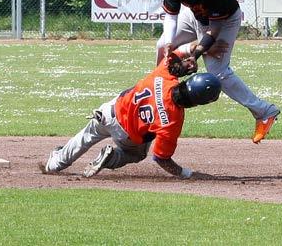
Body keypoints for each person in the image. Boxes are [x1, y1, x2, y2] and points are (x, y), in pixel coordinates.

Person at [157, 0, 280, 144]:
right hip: (194, 16)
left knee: (217, 70)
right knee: (162, 43)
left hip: (225, 21)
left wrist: (198, 53)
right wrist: (171, 42)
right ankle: (161, 94)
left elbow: (213, 31)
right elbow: (171, 17)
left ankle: (265, 111)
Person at [40, 49, 221, 179]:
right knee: (136, 155)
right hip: (127, 136)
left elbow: (177, 54)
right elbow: (161, 158)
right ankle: (111, 158)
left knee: (86, 136)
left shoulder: (164, 76)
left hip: (109, 112)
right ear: (198, 102)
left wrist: (195, 51)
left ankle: (54, 164)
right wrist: (186, 173)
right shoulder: (173, 121)